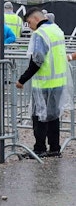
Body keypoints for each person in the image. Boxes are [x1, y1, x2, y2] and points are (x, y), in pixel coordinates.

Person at [16, 9, 73, 158]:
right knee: (53, 116)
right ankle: (54, 148)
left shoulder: (40, 34)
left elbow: (38, 59)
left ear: (36, 18)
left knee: (39, 116)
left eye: (29, 22)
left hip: (44, 82)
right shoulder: (56, 29)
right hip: (58, 80)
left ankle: (39, 149)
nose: (29, 26)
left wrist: (22, 79)